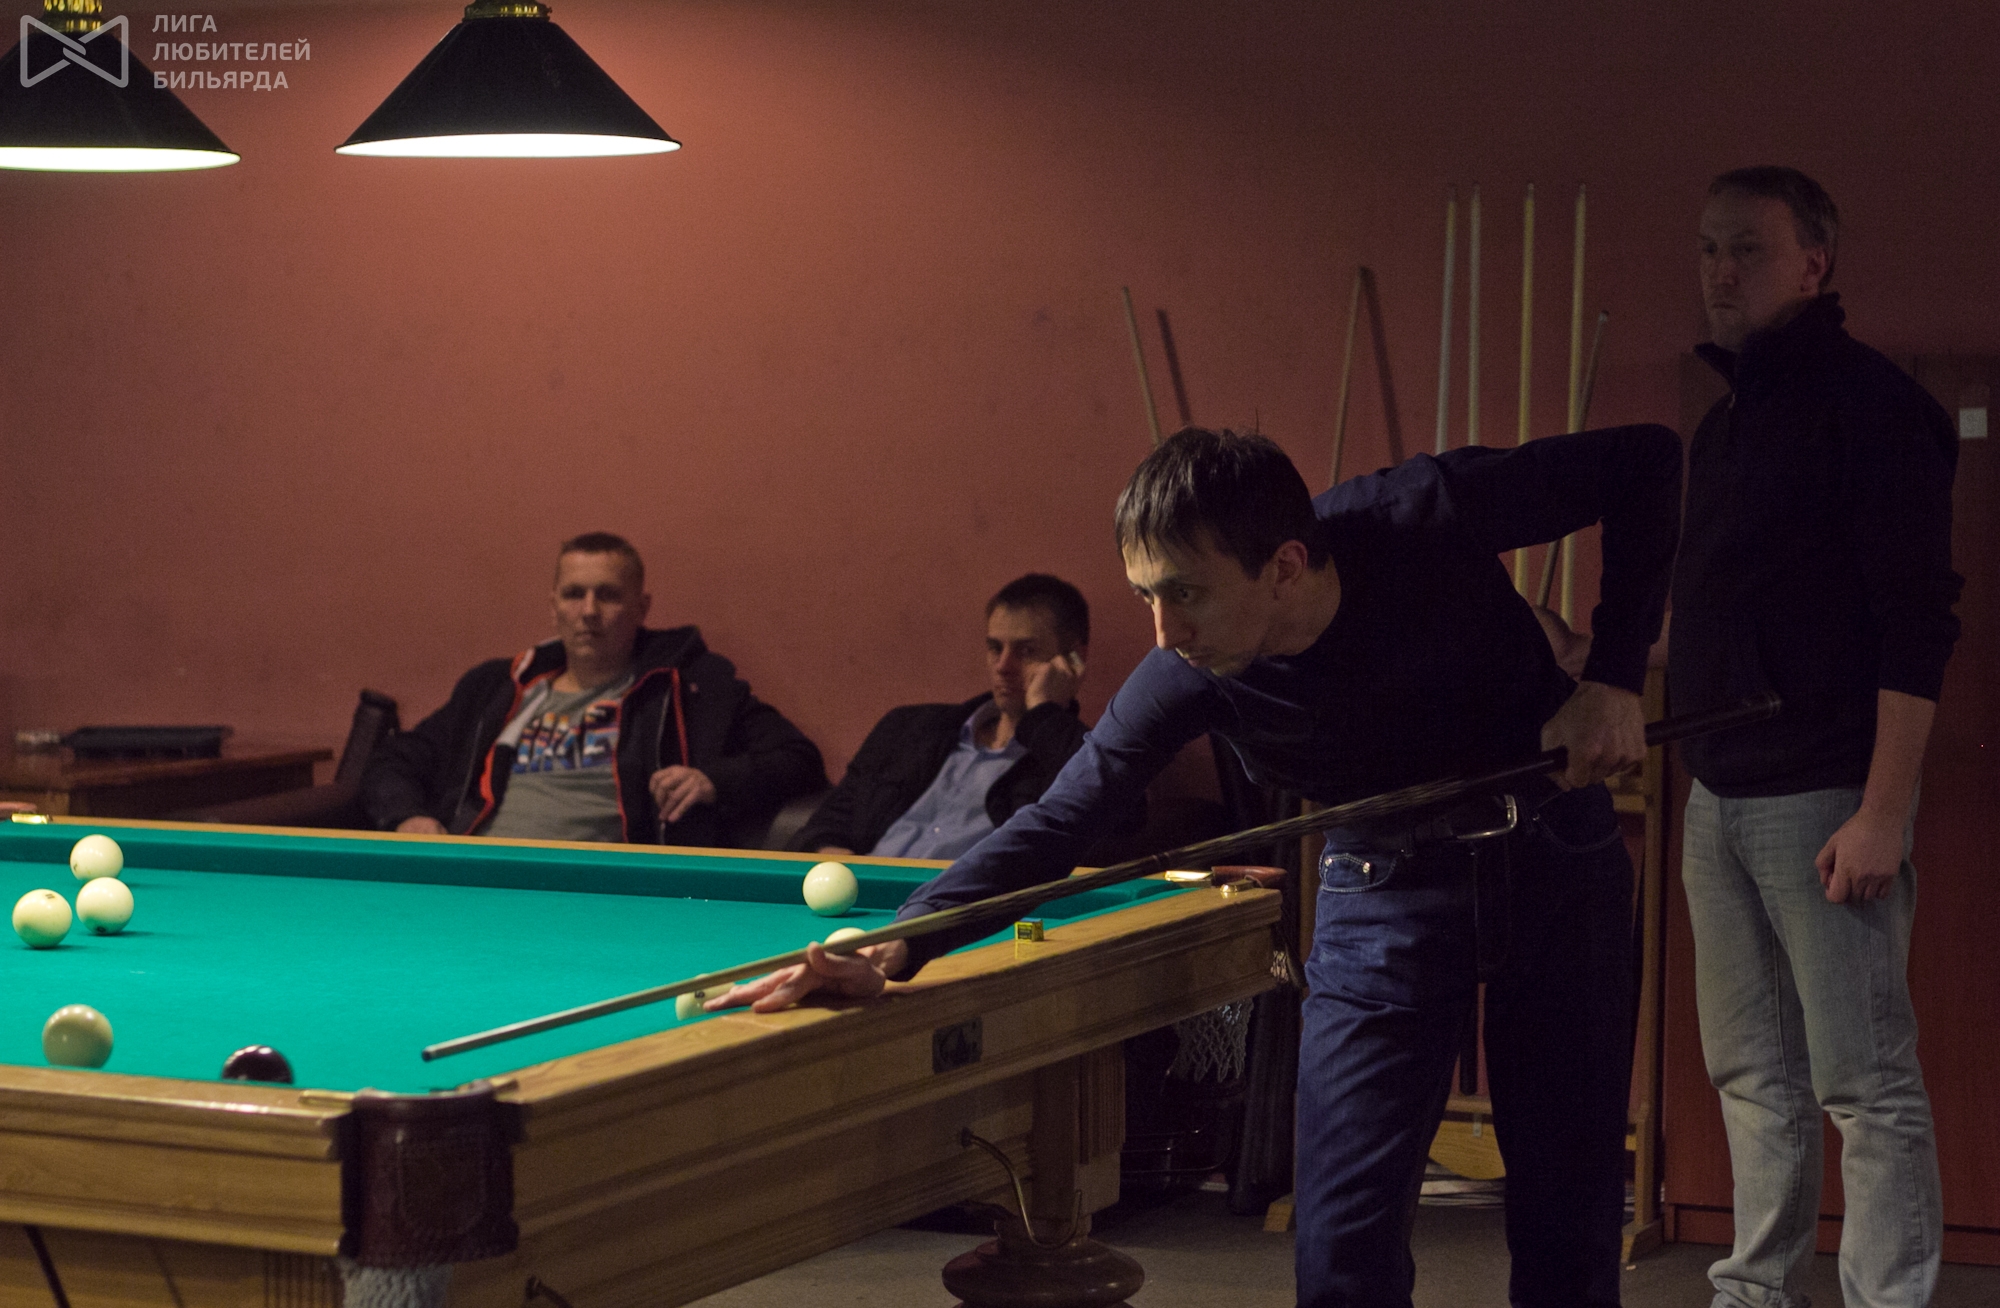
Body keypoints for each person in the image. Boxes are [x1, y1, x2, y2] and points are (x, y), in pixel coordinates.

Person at [722, 425, 1683, 1307]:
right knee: (1342, 1244)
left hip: (1555, 854)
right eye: (1146, 594)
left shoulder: (1415, 512)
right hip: (1381, 890)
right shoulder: (1188, 672)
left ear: (1285, 566)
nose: (1163, 632)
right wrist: (902, 943)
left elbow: (1646, 460)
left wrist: (1611, 679)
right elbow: (1064, 818)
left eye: (1184, 592)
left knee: (1567, 1225)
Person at [1673, 167, 1960, 1308]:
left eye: (1745, 248)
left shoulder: (1876, 408)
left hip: (1825, 798)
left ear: (1812, 264)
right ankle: (1753, 1293)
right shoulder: (1724, 422)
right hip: (1715, 798)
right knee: (1750, 1075)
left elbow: (1916, 623)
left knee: (1864, 1085)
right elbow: (1729, 612)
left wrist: (1883, 811)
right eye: (1707, 248)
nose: (1719, 271)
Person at [361, 532, 826, 848]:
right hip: (478, 874)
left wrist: (714, 781)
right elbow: (393, 761)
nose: (588, 611)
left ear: (641, 607)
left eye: (608, 595)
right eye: (573, 594)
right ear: (553, 607)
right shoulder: (495, 688)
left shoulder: (692, 687)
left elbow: (798, 758)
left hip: (610, 893)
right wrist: (408, 816)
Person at [794, 573, 1120, 861]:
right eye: (995, 648)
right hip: (861, 894)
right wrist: (838, 862)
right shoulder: (907, 729)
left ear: (1074, 658)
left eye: (1026, 651)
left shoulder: (1075, 764)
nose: (1003, 667)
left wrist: (1045, 715)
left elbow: (1116, 832)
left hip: (960, 908)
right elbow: (826, 824)